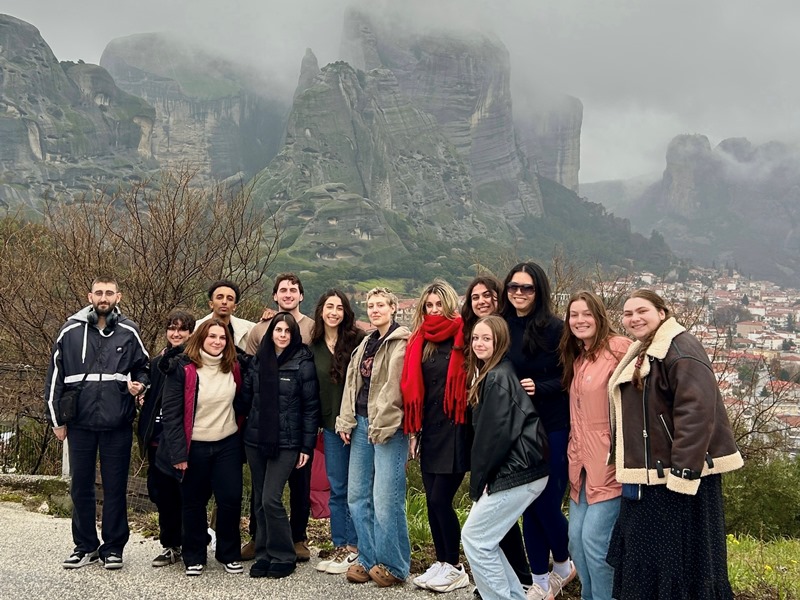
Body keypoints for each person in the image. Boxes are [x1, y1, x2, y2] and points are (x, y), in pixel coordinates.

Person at [606, 289, 743, 599]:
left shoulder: (680, 348)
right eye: (628, 314)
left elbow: (696, 414)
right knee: (652, 560)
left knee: (675, 563)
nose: (634, 318)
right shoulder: (648, 347)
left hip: (676, 478)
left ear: (662, 312)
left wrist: (683, 476)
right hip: (653, 474)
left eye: (642, 311)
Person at [45, 276, 150, 570]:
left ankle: (114, 547)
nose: (104, 297)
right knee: (80, 486)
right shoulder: (69, 331)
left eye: (109, 293)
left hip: (117, 422)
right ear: (89, 295)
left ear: (119, 296)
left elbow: (145, 367)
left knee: (116, 487)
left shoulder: (129, 331)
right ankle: (85, 546)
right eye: (99, 292)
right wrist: (56, 420)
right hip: (79, 423)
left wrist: (140, 386)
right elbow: (55, 376)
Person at [461, 315, 550, 600]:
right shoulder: (495, 372)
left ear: (500, 341)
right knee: (484, 540)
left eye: (487, 338)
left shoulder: (498, 378)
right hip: (525, 468)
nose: (479, 343)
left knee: (475, 539)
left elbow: (492, 440)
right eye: (476, 338)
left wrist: (479, 484)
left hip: (519, 471)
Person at [500, 262, 574, 600]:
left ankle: (565, 561)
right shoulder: (502, 325)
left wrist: (539, 386)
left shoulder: (556, 328)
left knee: (546, 503)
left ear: (538, 291)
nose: (518, 293)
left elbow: (571, 375)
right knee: (527, 504)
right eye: (513, 286)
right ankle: (541, 580)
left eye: (526, 288)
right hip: (517, 427)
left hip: (552, 425)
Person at [157, 319, 246, 577]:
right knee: (193, 502)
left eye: (222, 337)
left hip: (227, 442)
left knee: (230, 499)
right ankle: (194, 555)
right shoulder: (183, 369)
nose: (217, 341)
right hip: (193, 445)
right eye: (212, 336)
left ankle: (229, 554)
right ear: (201, 339)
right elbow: (171, 414)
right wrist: (178, 454)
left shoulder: (234, 367)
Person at [336, 287, 411, 587]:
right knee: (357, 495)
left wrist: (383, 424)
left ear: (393, 308)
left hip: (388, 428)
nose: (375, 309)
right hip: (361, 423)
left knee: (386, 499)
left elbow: (394, 389)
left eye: (381, 304)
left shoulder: (400, 343)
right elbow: (351, 384)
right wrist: (346, 419)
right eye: (371, 305)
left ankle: (394, 564)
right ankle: (367, 558)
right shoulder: (366, 342)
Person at [558, 291, 631, 600]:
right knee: (575, 541)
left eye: (586, 314)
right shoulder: (578, 357)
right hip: (582, 465)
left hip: (610, 463)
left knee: (596, 542)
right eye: (574, 315)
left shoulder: (618, 349)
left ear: (599, 316)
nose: (580, 320)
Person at [401, 280, 471, 593]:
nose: (433, 310)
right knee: (431, 501)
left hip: (456, 428)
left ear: (449, 304)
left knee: (442, 499)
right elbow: (417, 389)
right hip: (429, 429)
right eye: (428, 305)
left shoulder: (463, 334)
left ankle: (455, 567)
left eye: (438, 304)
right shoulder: (421, 340)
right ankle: (442, 562)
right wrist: (414, 431)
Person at [242, 313, 320, 579]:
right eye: (278, 330)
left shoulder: (303, 362)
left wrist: (306, 447)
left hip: (288, 442)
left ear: (294, 334)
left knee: (271, 498)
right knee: (260, 502)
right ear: (271, 332)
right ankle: (264, 553)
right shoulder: (257, 361)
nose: (283, 335)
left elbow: (311, 410)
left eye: (288, 331)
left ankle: (284, 554)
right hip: (255, 440)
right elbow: (246, 399)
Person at [309, 290, 365, 575]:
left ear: (345, 312)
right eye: (329, 306)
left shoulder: (357, 340)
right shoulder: (313, 345)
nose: (334, 312)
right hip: (330, 427)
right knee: (337, 487)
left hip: (357, 425)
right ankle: (341, 544)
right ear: (320, 311)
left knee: (357, 488)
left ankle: (356, 548)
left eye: (339, 307)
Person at [137, 310, 196, 568]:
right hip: (157, 440)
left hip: (183, 442)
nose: (176, 333)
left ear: (191, 333)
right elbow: (148, 392)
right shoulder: (157, 362)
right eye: (172, 328)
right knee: (162, 495)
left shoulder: (194, 362)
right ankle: (171, 545)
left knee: (187, 495)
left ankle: (192, 542)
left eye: (182, 329)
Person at [196, 280, 255, 352]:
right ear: (211, 304)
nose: (224, 302)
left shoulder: (250, 329)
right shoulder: (196, 328)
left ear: (234, 306)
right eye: (219, 297)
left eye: (230, 299)